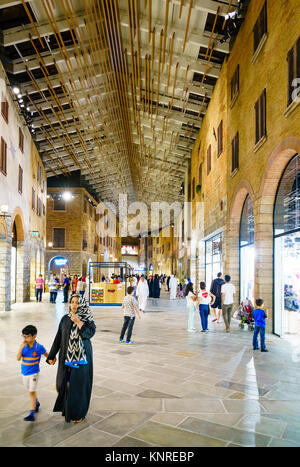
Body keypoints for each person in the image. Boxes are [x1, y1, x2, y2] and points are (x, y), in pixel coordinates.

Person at [46, 294, 96, 423]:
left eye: (77, 303)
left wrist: (79, 322)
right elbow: (58, 338)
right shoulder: (64, 319)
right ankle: (67, 410)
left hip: (82, 360)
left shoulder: (88, 320)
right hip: (65, 357)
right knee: (63, 384)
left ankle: (79, 413)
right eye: (72, 302)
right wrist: (51, 355)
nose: (74, 305)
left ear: (82, 305)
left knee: (78, 386)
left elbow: (89, 334)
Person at [17, 325, 48, 421]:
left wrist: (51, 360)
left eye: (27, 336)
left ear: (34, 336)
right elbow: (18, 358)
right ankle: (36, 402)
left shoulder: (39, 347)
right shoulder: (24, 347)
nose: (25, 339)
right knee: (29, 390)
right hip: (24, 373)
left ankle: (31, 413)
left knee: (31, 392)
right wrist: (21, 348)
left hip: (34, 373)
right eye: (24, 336)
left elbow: (47, 355)